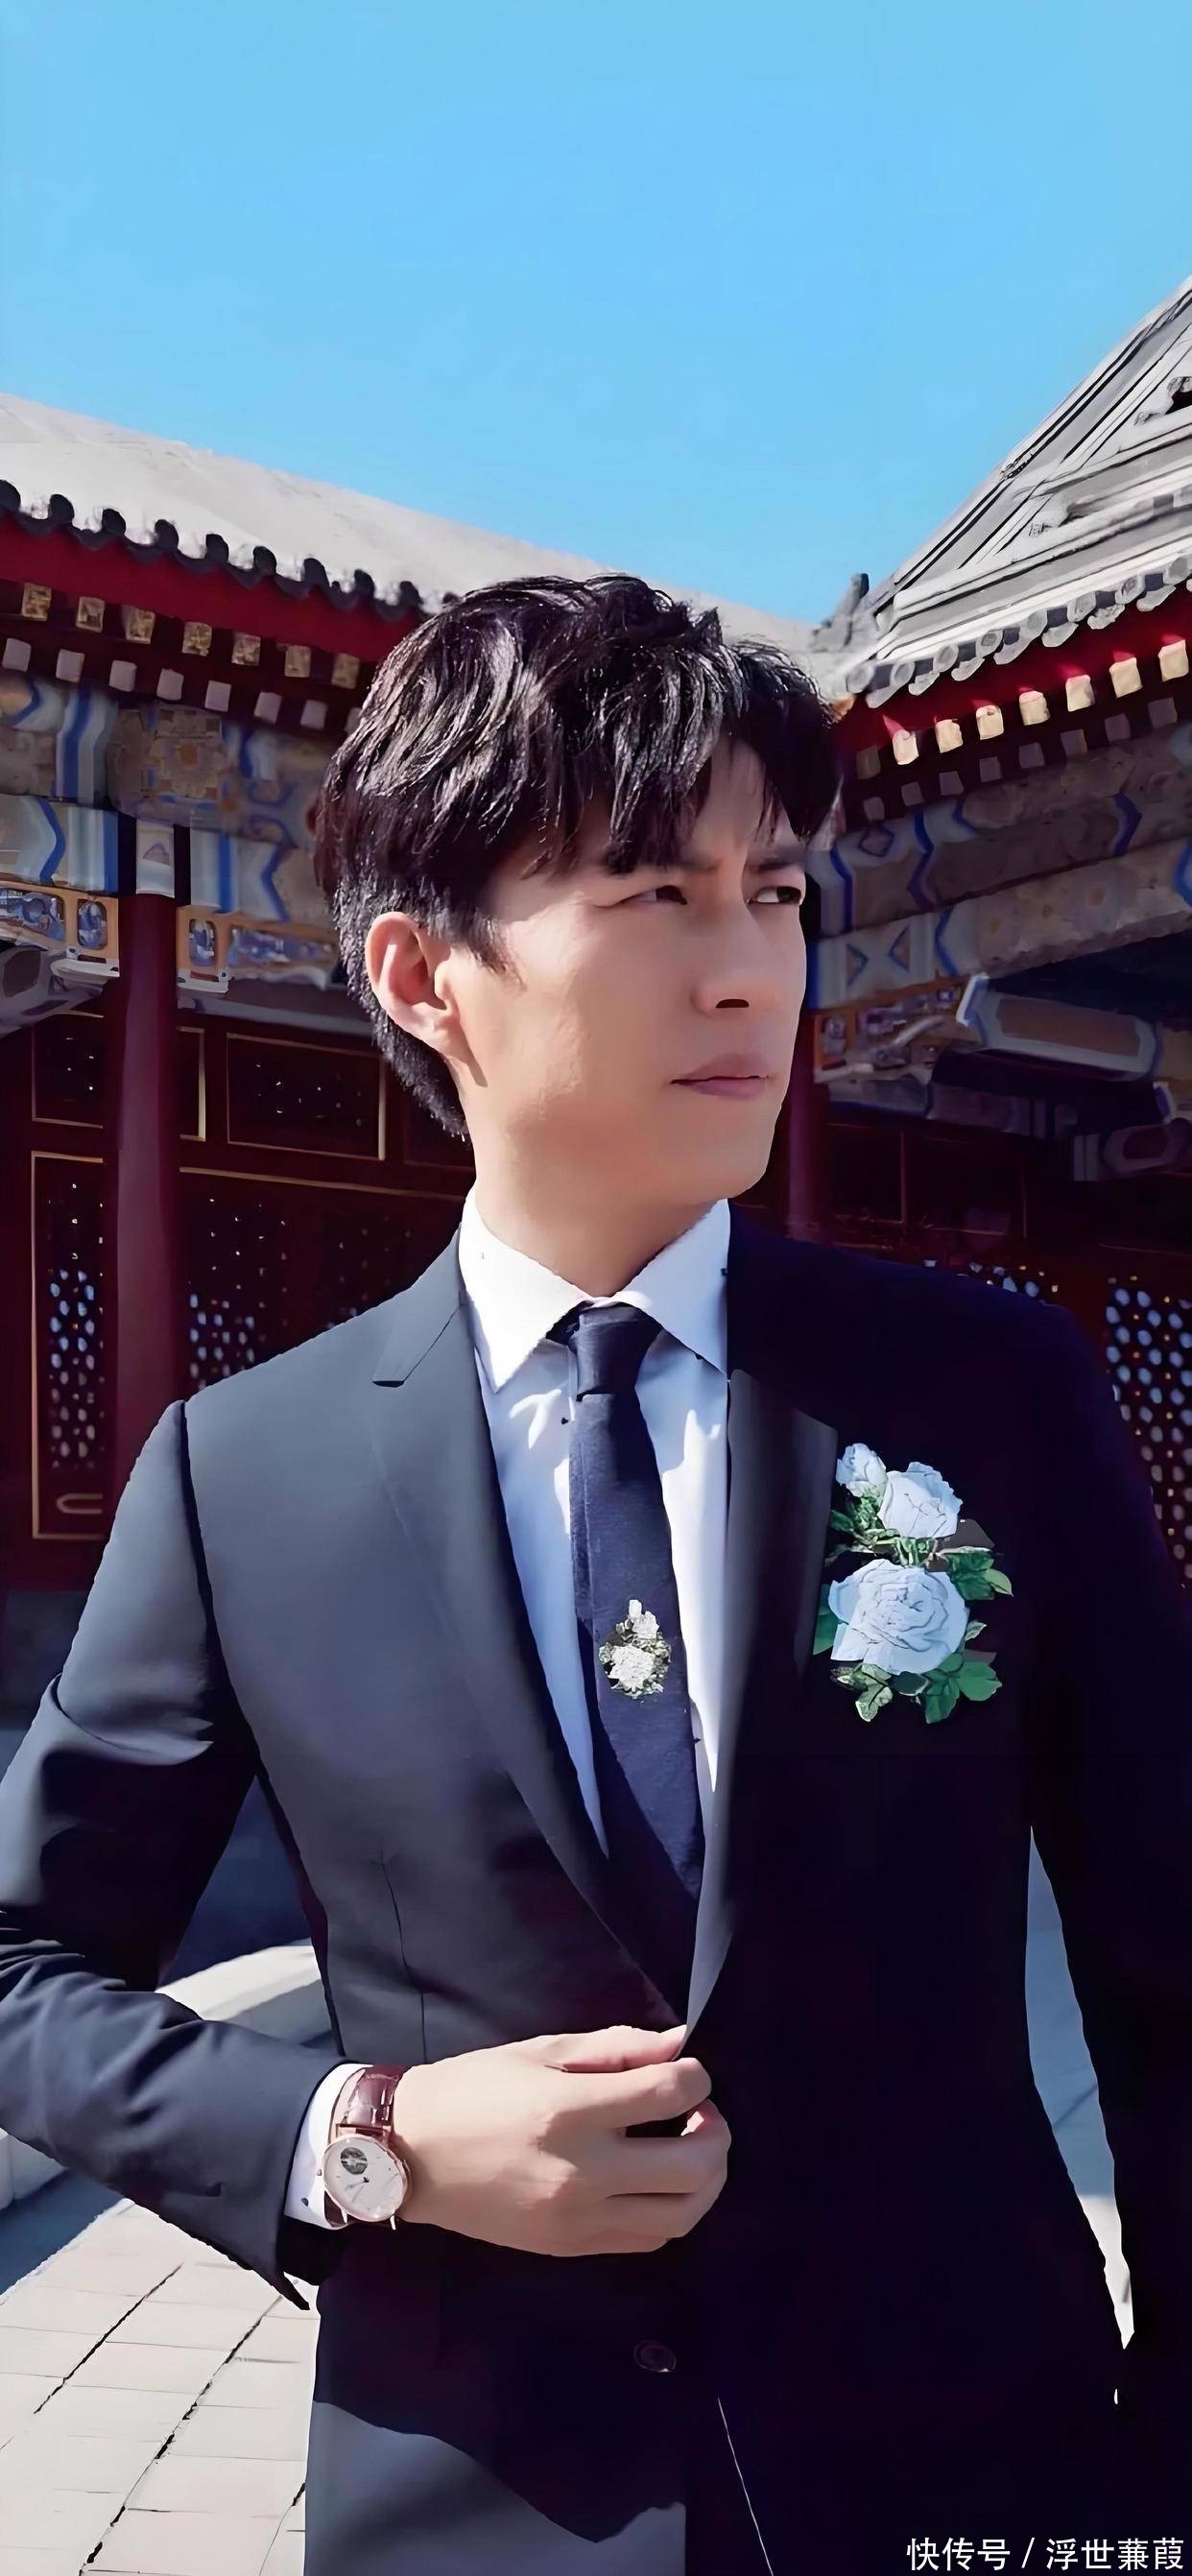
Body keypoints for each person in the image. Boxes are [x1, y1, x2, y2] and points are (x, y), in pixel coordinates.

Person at [0, 573, 1188, 2572]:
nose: (749, 975)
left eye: (775, 893)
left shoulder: (989, 1393)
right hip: (477, 2511)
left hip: (978, 2484)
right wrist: (362, 2142)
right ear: (422, 973)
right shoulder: (246, 1474)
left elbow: (1171, 1965)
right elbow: (23, 1974)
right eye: (654, 896)